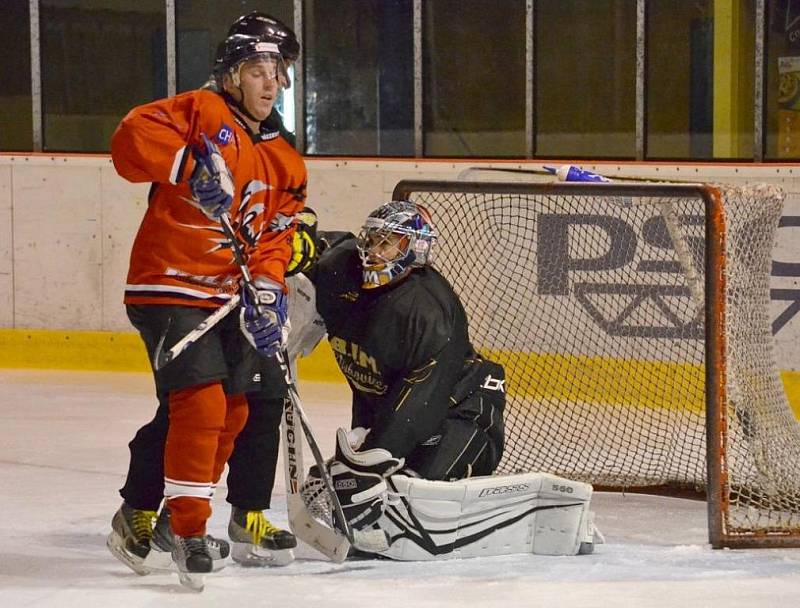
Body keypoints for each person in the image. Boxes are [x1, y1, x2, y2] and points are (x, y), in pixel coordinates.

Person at [107, 30, 299, 590]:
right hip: (169, 287)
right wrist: (187, 165)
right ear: (233, 74)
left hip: (230, 296)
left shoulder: (285, 157)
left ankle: (173, 518)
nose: (272, 81)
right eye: (260, 68)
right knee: (201, 404)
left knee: (237, 411)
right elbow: (128, 141)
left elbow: (275, 238)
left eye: (278, 70)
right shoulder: (202, 110)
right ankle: (191, 529)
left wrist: (267, 288)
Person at [308, 201, 507, 532]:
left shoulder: (428, 311)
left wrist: (374, 458)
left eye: (387, 242)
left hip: (461, 411)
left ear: (416, 247)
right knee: (355, 490)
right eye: (371, 240)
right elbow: (321, 247)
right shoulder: (342, 272)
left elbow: (422, 400)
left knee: (412, 493)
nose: (373, 251)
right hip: (394, 409)